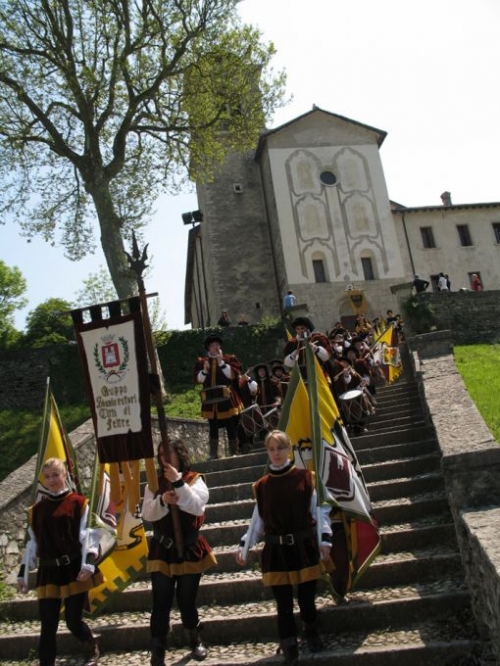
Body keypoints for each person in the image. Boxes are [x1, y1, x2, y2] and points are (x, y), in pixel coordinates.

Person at [235, 430, 332, 666]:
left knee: (307, 599)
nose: (276, 453)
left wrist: (325, 539)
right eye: (271, 449)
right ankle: (289, 644)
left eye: (280, 448)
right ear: (267, 452)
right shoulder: (262, 486)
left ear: (288, 449)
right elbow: (259, 522)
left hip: (303, 546)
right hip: (276, 551)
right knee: (284, 604)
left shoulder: (305, 478)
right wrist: (245, 545)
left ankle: (310, 630)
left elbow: (318, 511)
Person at [17, 458, 103, 666]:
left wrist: (88, 565)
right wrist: (22, 573)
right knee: (48, 625)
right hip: (48, 572)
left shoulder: (78, 503)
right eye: (47, 476)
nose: (52, 480)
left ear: (65, 475)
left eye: (56, 475)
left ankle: (89, 642)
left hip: (73, 568)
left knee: (73, 620)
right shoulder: (37, 510)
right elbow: (32, 543)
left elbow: (88, 536)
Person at [142, 439, 217, 666]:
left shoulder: (195, 480)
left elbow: (196, 506)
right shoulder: (153, 483)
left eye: (169, 453)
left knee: (186, 601)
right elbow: (147, 514)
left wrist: (177, 482)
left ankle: (194, 639)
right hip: (162, 550)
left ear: (180, 454)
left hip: (189, 549)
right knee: (161, 600)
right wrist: (163, 501)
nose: (165, 458)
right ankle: (158, 649)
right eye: (161, 454)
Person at [194, 334, 243, 459]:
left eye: (217, 345)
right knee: (213, 426)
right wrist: (204, 370)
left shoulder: (229, 359)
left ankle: (234, 451)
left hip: (227, 398)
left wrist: (221, 363)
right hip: (210, 400)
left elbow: (233, 375)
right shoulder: (202, 362)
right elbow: (198, 380)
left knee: (230, 424)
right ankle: (213, 453)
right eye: (212, 345)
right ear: (208, 348)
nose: (215, 347)